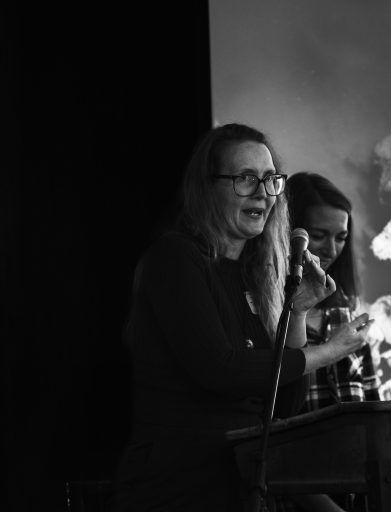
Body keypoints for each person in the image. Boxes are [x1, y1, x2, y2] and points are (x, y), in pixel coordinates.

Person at [113, 124, 372, 512]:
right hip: (178, 488)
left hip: (240, 487)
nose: (263, 194)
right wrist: (328, 352)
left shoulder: (256, 274)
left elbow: (284, 405)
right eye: (245, 179)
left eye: (270, 180)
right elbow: (220, 369)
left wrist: (297, 311)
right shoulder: (177, 257)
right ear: (206, 187)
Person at [280, 172, 381, 512]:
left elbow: (374, 414)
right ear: (290, 232)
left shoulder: (345, 314)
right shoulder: (268, 312)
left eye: (341, 238)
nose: (331, 249)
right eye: (320, 235)